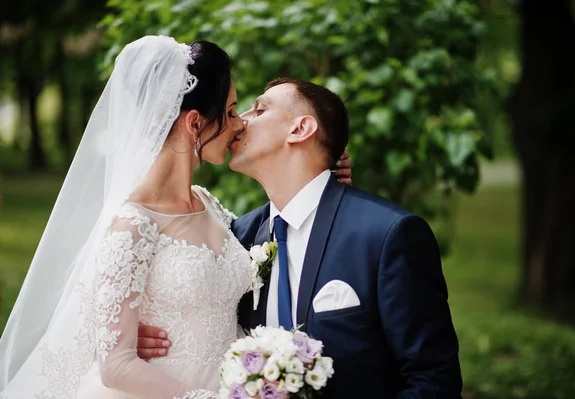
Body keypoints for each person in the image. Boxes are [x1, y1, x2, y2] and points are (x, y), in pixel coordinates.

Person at [0, 36, 352, 398]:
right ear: (195, 122)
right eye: (231, 112)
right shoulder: (132, 225)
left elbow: (265, 235)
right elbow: (116, 365)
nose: (238, 125)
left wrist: (319, 179)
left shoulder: (209, 205)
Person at [139, 78, 463, 398]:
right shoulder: (236, 241)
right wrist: (143, 334)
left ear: (300, 129)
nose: (237, 123)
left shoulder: (386, 236)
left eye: (259, 109)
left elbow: (433, 381)